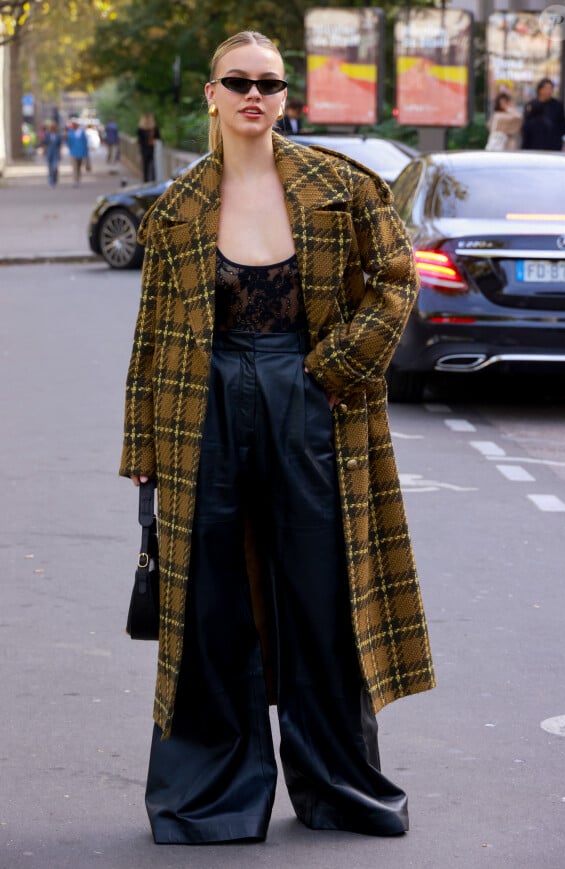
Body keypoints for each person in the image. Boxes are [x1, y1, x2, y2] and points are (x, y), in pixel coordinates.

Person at [120, 30, 435, 846]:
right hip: (206, 402)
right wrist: (143, 453)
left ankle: (339, 784)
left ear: (286, 96)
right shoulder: (180, 206)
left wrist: (332, 367)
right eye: (238, 81)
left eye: (270, 83)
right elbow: (153, 334)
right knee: (209, 597)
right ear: (212, 95)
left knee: (323, 588)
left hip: (311, 397)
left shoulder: (341, 185)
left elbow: (397, 278)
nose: (254, 95)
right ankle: (209, 794)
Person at [523, 78, 565, 150]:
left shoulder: (558, 105)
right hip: (534, 144)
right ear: (540, 89)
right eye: (546, 88)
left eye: (551, 88)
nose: (549, 91)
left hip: (554, 144)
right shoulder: (531, 105)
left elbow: (563, 125)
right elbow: (526, 125)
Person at [136, 112, 160, 181]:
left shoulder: (141, 129)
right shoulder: (154, 128)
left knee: (146, 167)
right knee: (153, 167)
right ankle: (154, 180)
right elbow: (159, 139)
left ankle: (146, 181)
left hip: (145, 150)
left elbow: (140, 141)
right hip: (152, 149)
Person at [66, 117, 89, 186]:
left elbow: (85, 143)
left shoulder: (82, 132)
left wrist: (86, 153)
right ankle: (75, 180)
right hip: (73, 152)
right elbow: (69, 142)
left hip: (81, 152)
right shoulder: (70, 132)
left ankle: (78, 178)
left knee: (79, 167)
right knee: (74, 167)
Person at [42, 120, 62, 186]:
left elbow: (59, 145)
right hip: (49, 153)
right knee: (50, 168)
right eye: (51, 127)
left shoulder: (58, 135)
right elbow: (44, 143)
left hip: (55, 153)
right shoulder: (47, 135)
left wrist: (60, 153)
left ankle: (55, 178)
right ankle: (51, 180)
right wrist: (44, 151)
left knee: (55, 167)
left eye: (54, 127)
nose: (53, 128)